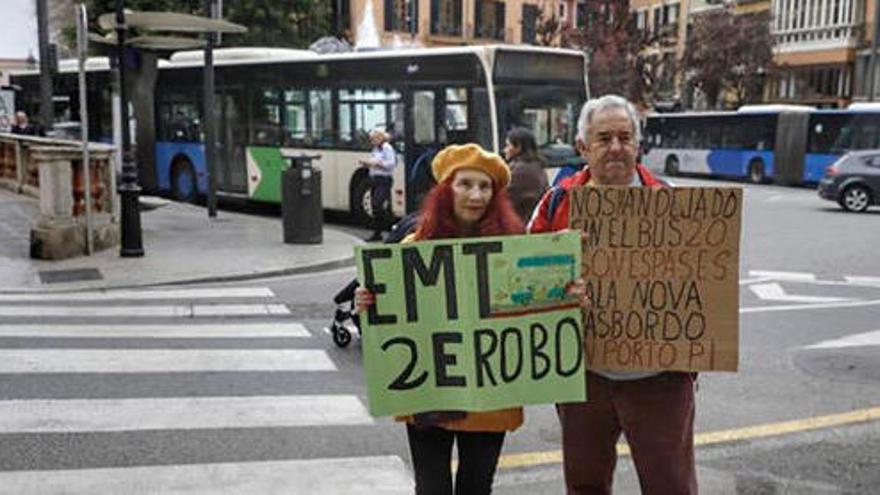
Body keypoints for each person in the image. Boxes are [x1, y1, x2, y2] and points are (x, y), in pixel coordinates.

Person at [528, 95, 696, 495]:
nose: (616, 147)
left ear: (638, 144)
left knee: (670, 485)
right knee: (585, 484)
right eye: (604, 138)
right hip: (584, 376)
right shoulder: (557, 202)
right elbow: (526, 282)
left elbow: (705, 284)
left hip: (660, 379)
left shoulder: (673, 201)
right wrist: (559, 283)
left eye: (625, 137)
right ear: (582, 146)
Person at [355, 143, 525, 495]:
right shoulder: (412, 248)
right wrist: (366, 303)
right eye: (465, 184)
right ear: (446, 189)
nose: (475, 194)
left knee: (476, 487)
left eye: (485, 186)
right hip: (430, 391)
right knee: (431, 487)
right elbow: (384, 322)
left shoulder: (514, 251)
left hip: (488, 394)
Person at [503, 127, 549, 223]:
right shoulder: (536, 166)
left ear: (518, 147)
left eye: (508, 145)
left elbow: (504, 198)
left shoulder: (520, 171)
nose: (505, 150)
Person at [359, 129, 397, 242]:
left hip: (383, 179)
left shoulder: (386, 148)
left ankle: (388, 230)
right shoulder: (376, 149)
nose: (372, 141)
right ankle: (378, 233)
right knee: (376, 207)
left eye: (374, 138)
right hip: (375, 179)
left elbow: (391, 164)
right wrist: (368, 164)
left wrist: (376, 164)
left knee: (378, 205)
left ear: (380, 138)